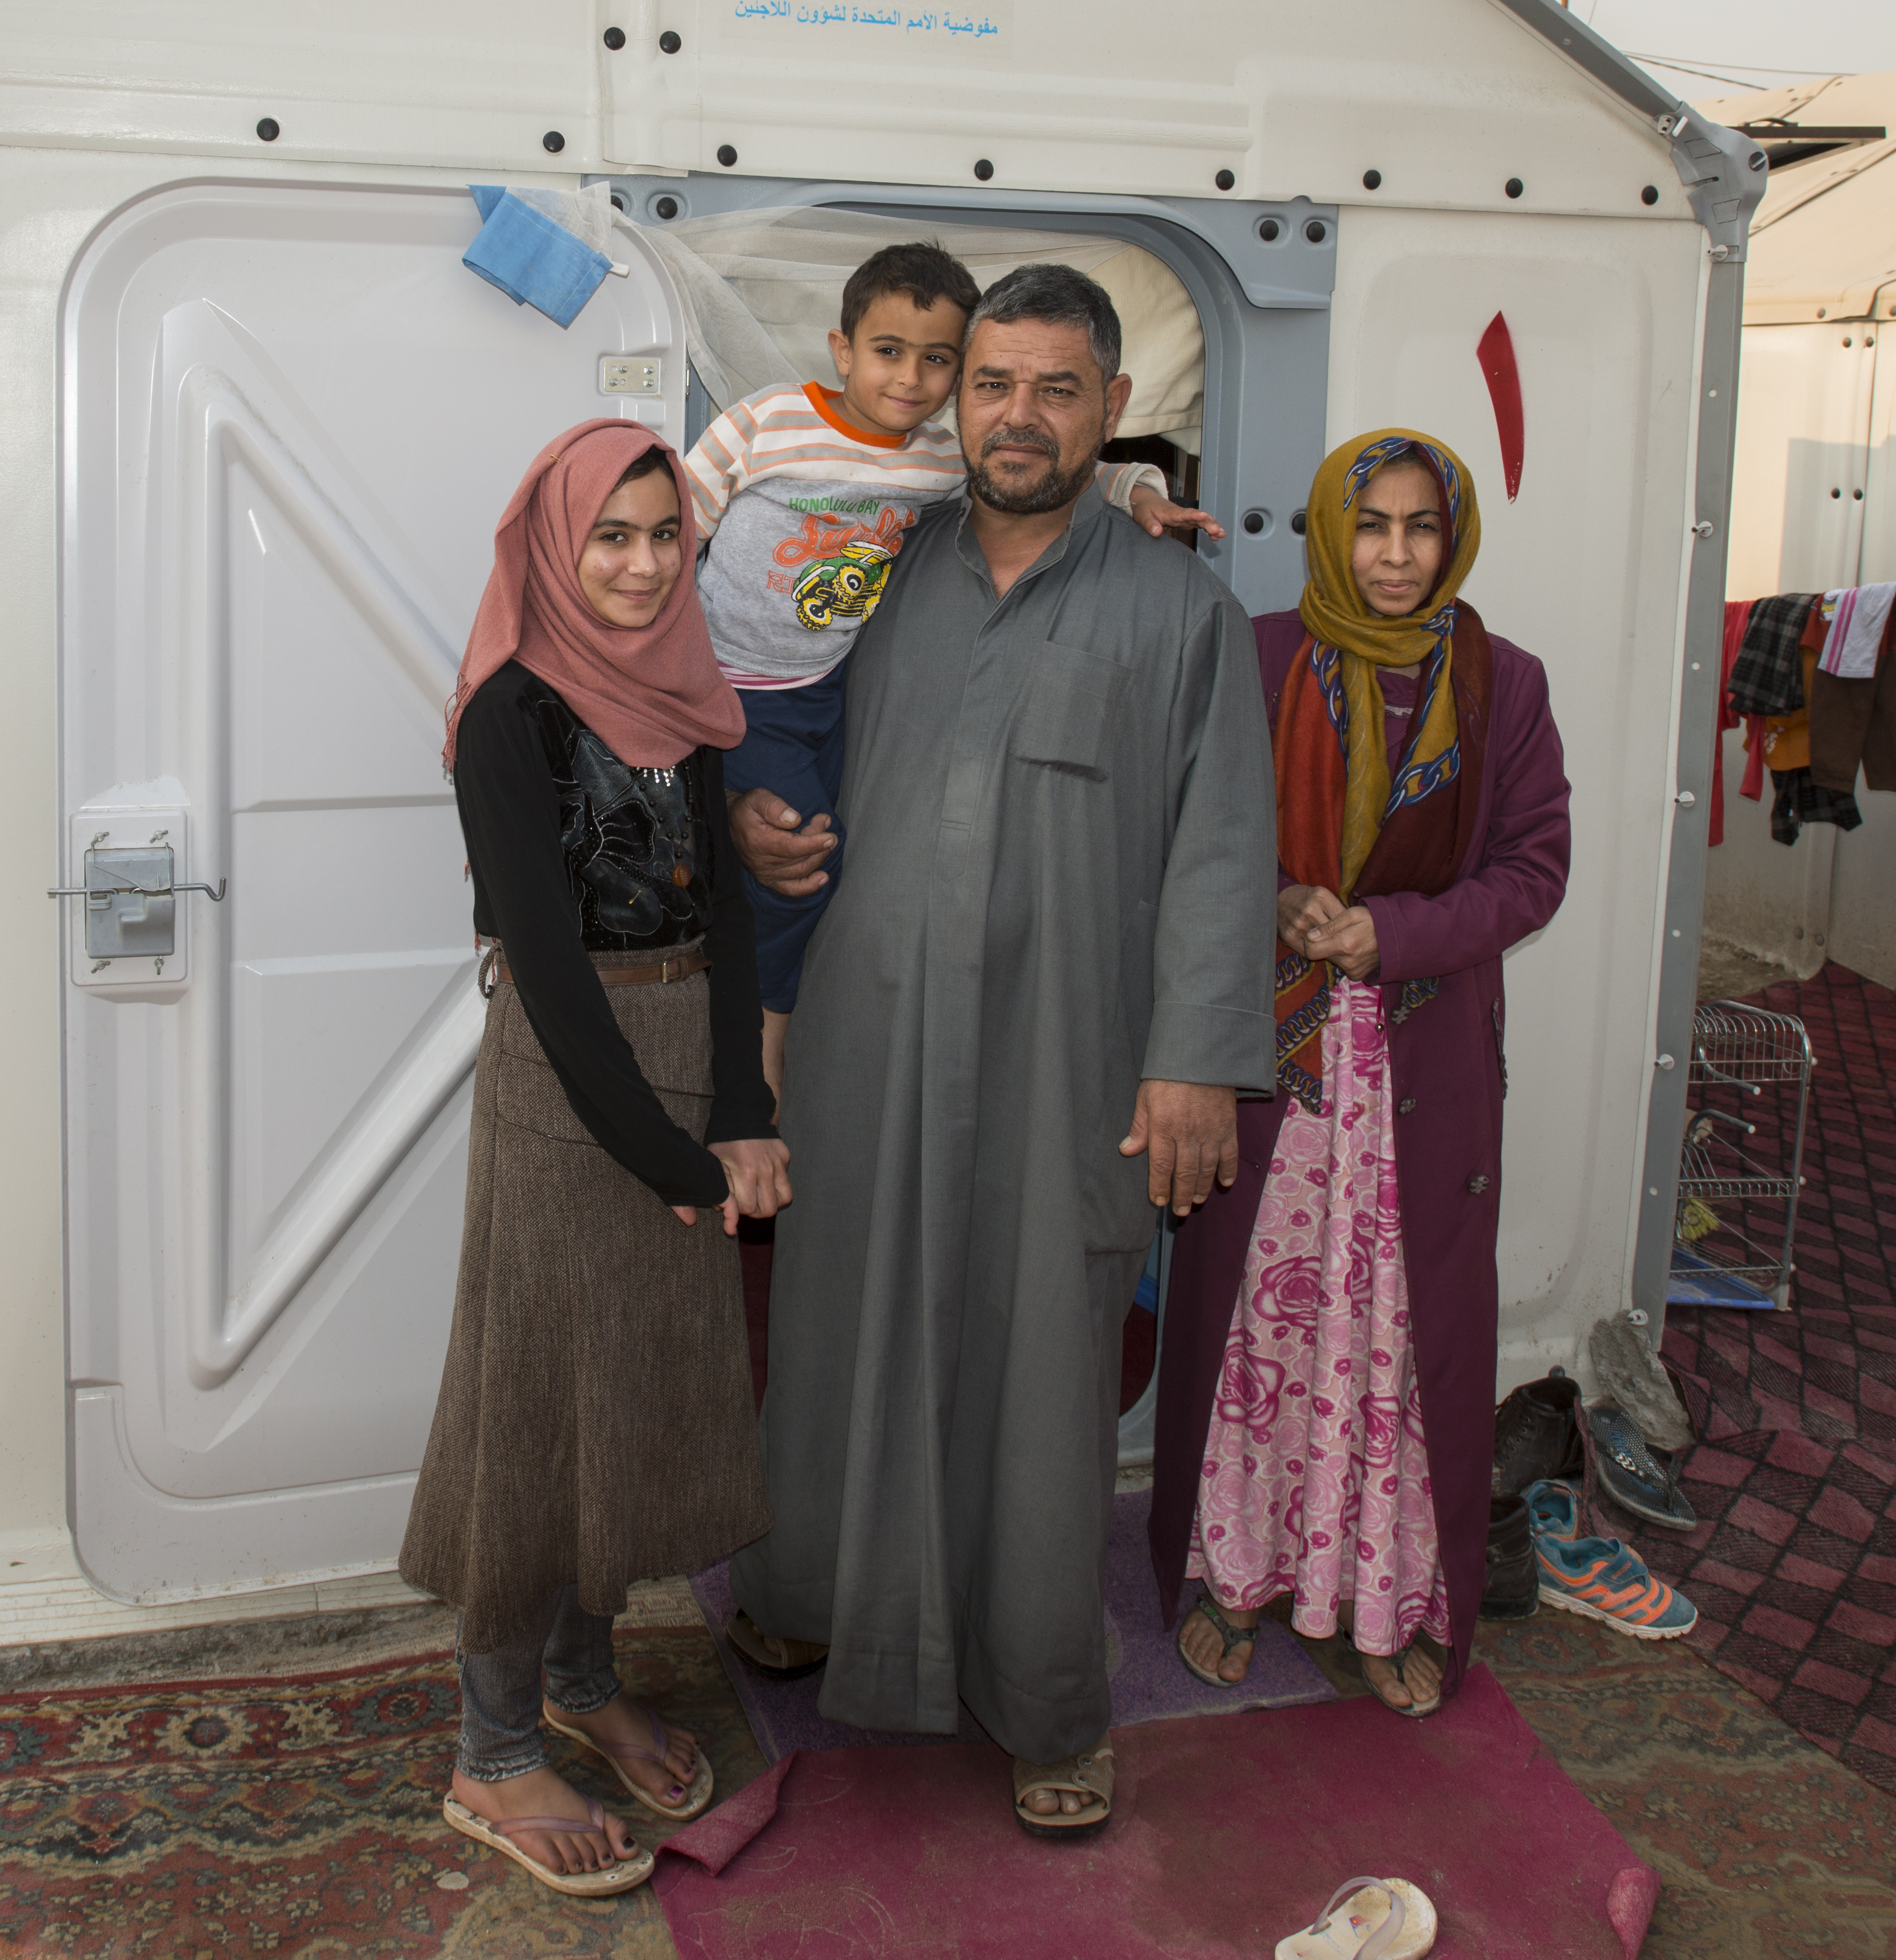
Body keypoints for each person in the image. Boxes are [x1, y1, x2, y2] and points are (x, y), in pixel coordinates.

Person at [723, 265, 1273, 1840]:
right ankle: (813, 1591)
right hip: (868, 1039)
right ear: (951, 401)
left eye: (1053, 389)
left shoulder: (1179, 606)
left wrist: (1194, 1064)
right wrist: (747, 828)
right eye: (990, 384)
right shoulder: (870, 568)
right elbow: (754, 701)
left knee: (1042, 1363)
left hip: (1074, 1059)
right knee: (842, 1326)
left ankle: (1043, 1701)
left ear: (1111, 409)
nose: (1015, 416)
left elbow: (1225, 850)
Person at [404, 419, 794, 1899]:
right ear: (552, 549)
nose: (639, 567)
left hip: (693, 1057)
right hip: (575, 1085)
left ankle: (582, 1676)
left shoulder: (688, 684)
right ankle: (492, 1747)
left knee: (628, 1392)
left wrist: (742, 1115)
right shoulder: (510, 711)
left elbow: (737, 915)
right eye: (608, 537)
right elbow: (550, 972)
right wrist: (673, 1156)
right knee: (539, 1410)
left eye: (661, 536)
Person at [1145, 430, 1573, 1718]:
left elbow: (1532, 868)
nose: (1394, 554)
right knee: (1253, 1323)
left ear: (1451, 538)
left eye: (1419, 528)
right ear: (1333, 532)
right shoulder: (1261, 654)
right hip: (1272, 1058)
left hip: (1419, 1060)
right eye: (1370, 526)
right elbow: (1191, 824)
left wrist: (1389, 933)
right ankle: (1234, 1570)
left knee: (1396, 1332)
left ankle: (1386, 1592)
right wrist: (1283, 904)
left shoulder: (1506, 683)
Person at [679, 240, 1201, 1095]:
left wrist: (1141, 488)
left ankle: (815, 1021)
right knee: (798, 858)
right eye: (888, 352)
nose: (911, 380)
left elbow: (1058, 466)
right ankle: (764, 1031)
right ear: (842, 350)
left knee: (847, 843)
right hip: (738, 683)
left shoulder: (937, 459)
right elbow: (680, 521)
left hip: (828, 682)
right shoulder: (766, 421)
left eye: (939, 362)